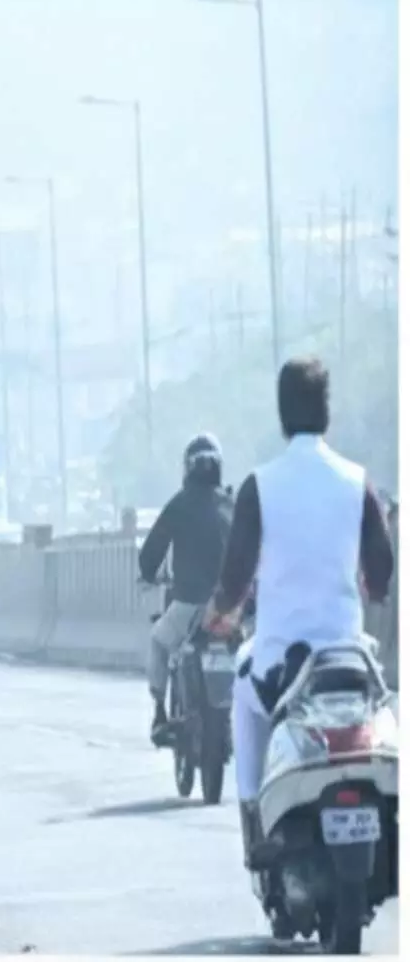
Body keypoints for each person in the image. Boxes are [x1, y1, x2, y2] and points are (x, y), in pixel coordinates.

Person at [203, 357, 394, 872]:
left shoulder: (260, 486)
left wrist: (219, 613)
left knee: (242, 697)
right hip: (349, 663)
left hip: (280, 669)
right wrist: (366, 587)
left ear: (282, 413)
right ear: (327, 410)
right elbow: (381, 573)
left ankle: (253, 819)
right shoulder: (358, 482)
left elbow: (236, 578)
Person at [137, 433, 234, 745]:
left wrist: (148, 574)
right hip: (230, 609)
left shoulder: (180, 504)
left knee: (158, 640)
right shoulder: (231, 505)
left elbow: (150, 552)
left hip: (189, 607)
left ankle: (160, 712)